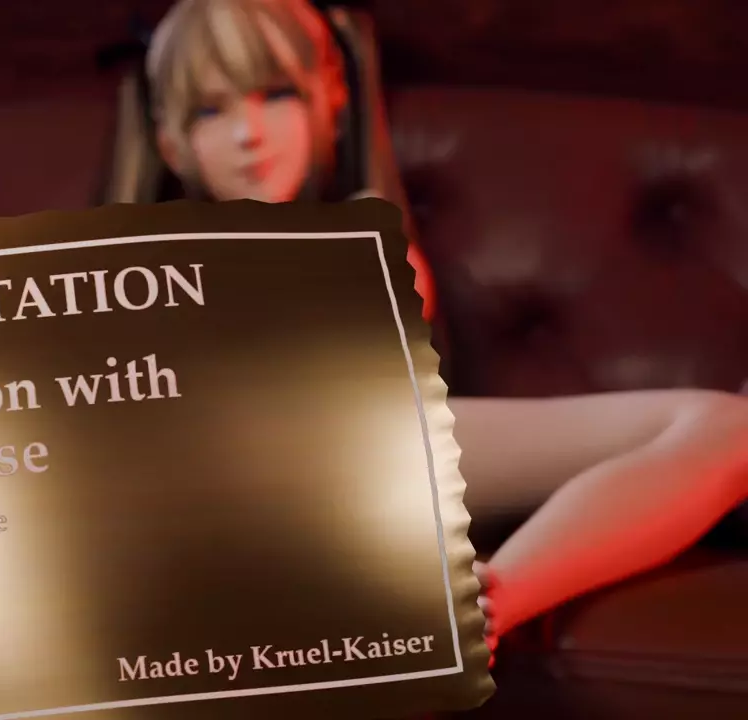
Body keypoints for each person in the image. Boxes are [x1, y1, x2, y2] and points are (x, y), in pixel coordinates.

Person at [102, 0, 748, 655]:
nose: (249, 134)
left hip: (374, 441)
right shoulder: (130, 273)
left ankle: (485, 605)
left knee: (730, 428)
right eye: (211, 111)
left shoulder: (364, 233)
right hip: (227, 487)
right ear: (170, 142)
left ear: (331, 100)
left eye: (276, 95)